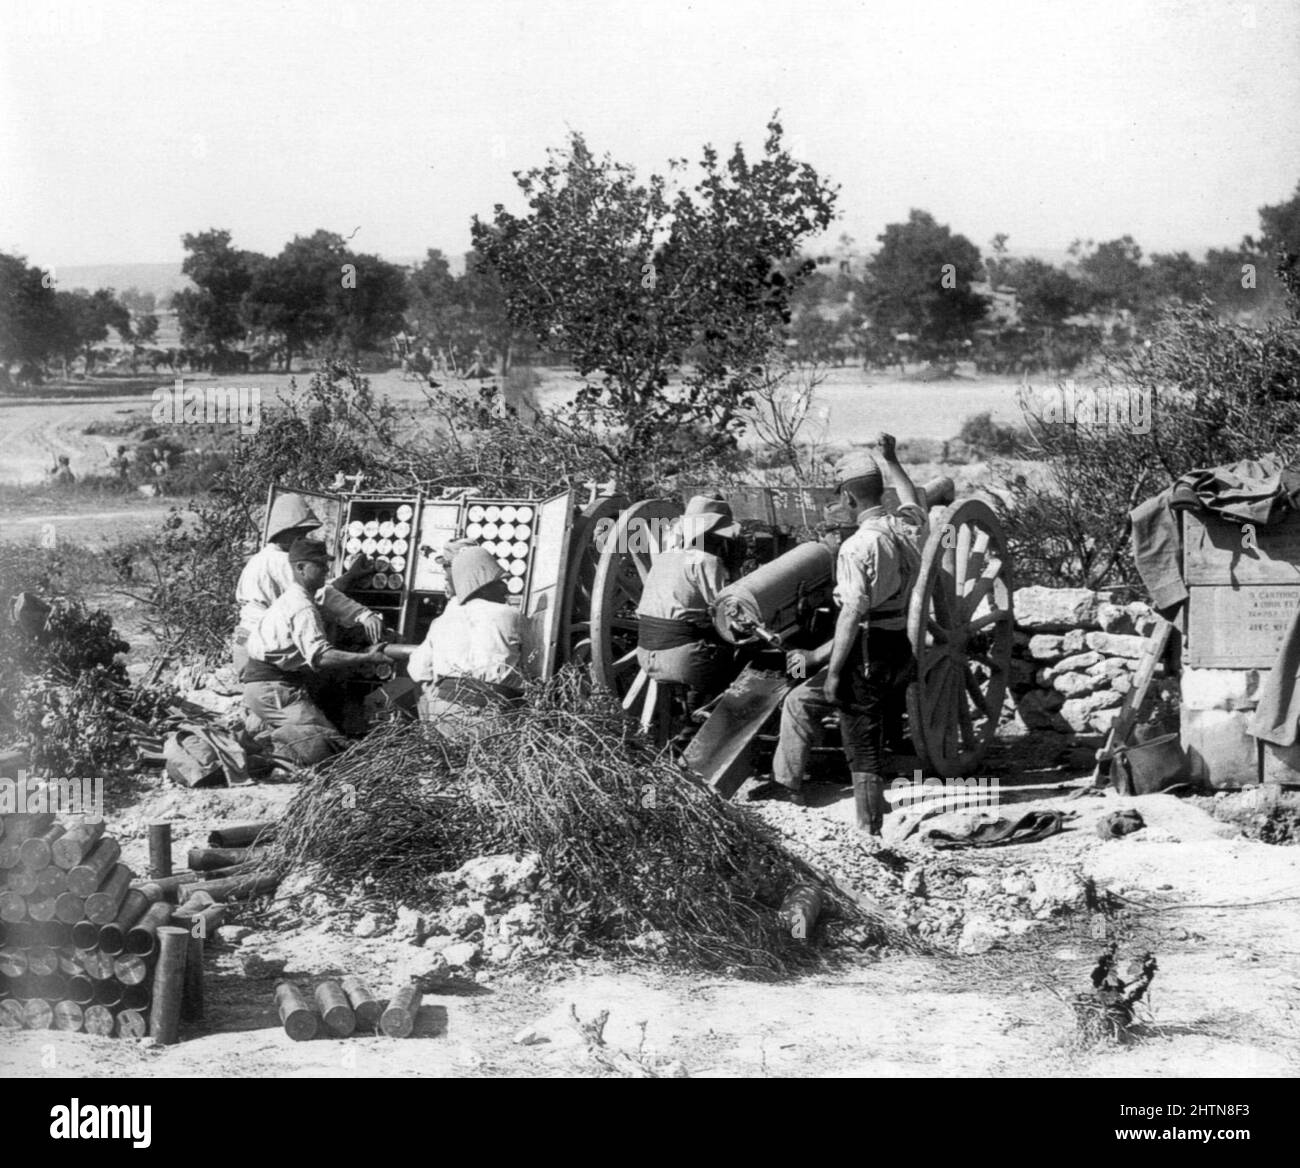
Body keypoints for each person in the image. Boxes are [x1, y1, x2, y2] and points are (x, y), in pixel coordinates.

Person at [765, 434, 926, 833]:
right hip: (899, 647)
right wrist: (893, 458)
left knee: (859, 744)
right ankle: (867, 817)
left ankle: (867, 830)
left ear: (849, 500)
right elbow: (913, 500)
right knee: (846, 722)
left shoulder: (856, 548)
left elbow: (852, 614)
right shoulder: (907, 529)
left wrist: (831, 672)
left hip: (866, 652)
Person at [243, 538, 391, 766]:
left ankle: (268, 749)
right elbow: (321, 657)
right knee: (330, 744)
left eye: (326, 564)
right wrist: (367, 657)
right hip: (273, 688)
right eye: (320, 565)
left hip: (269, 686)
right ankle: (266, 756)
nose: (325, 570)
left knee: (317, 738)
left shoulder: (296, 598)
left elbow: (330, 594)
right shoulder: (301, 607)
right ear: (300, 568)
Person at [233, 493, 383, 677]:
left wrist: (348, 577)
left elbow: (315, 589)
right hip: (262, 653)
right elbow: (321, 594)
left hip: (251, 647)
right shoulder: (280, 561)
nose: (302, 539)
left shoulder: (260, 559)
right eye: (299, 534)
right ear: (284, 531)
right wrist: (363, 614)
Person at [634, 495, 742, 706]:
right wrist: (735, 568)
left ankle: (691, 717)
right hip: (684, 659)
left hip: (646, 655)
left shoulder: (665, 557)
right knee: (741, 656)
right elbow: (728, 611)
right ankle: (714, 712)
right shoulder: (706, 560)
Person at [408, 546, 525, 728]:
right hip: (494, 713)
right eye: (499, 583)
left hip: (446, 711)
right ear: (482, 585)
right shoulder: (511, 614)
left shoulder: (442, 621)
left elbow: (418, 669)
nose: (505, 589)